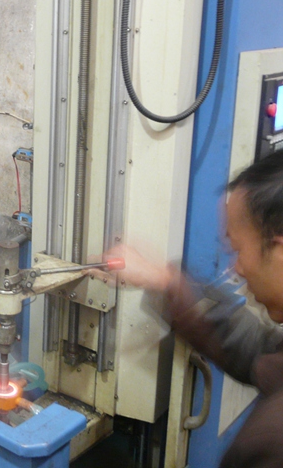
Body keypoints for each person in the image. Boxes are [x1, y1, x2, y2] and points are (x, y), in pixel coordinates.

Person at [110, 148, 283, 468]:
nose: (235, 269)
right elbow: (262, 352)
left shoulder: (272, 442)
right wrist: (165, 281)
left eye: (237, 249)